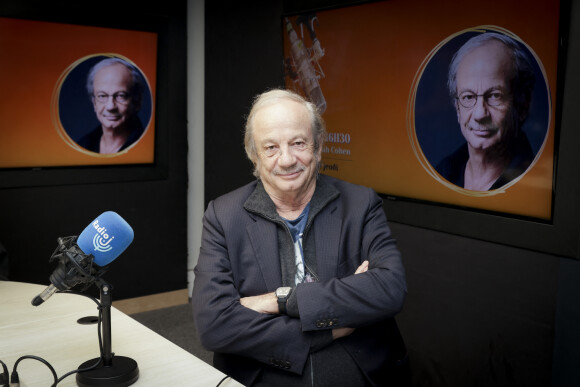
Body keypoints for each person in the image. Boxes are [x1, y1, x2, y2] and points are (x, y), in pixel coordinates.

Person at [192, 89, 408, 386]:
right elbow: (214, 325)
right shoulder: (223, 215)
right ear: (254, 155)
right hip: (263, 370)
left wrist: (281, 301)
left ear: (318, 147)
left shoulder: (360, 203)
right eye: (270, 147)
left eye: (298, 143)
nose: (286, 160)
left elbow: (389, 289)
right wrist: (329, 327)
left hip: (356, 365)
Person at [436, 32, 536, 191]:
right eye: (468, 97)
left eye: (495, 96)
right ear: (457, 107)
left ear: (522, 105)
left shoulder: (535, 187)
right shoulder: (443, 172)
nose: (480, 114)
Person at [76, 57, 146, 154]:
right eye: (102, 96)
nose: (110, 107)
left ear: (137, 101)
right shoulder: (83, 145)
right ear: (94, 103)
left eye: (121, 96)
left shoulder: (146, 148)